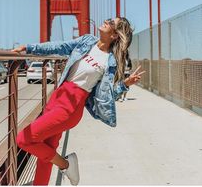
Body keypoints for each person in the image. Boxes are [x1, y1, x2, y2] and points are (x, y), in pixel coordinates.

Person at [13, 17, 145, 186]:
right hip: (57, 97)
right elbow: (60, 47)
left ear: (114, 36)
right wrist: (30, 47)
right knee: (46, 154)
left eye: (111, 23)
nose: (107, 20)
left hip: (70, 108)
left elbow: (105, 95)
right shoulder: (87, 41)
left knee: (24, 139)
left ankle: (66, 164)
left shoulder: (109, 61)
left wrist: (125, 85)